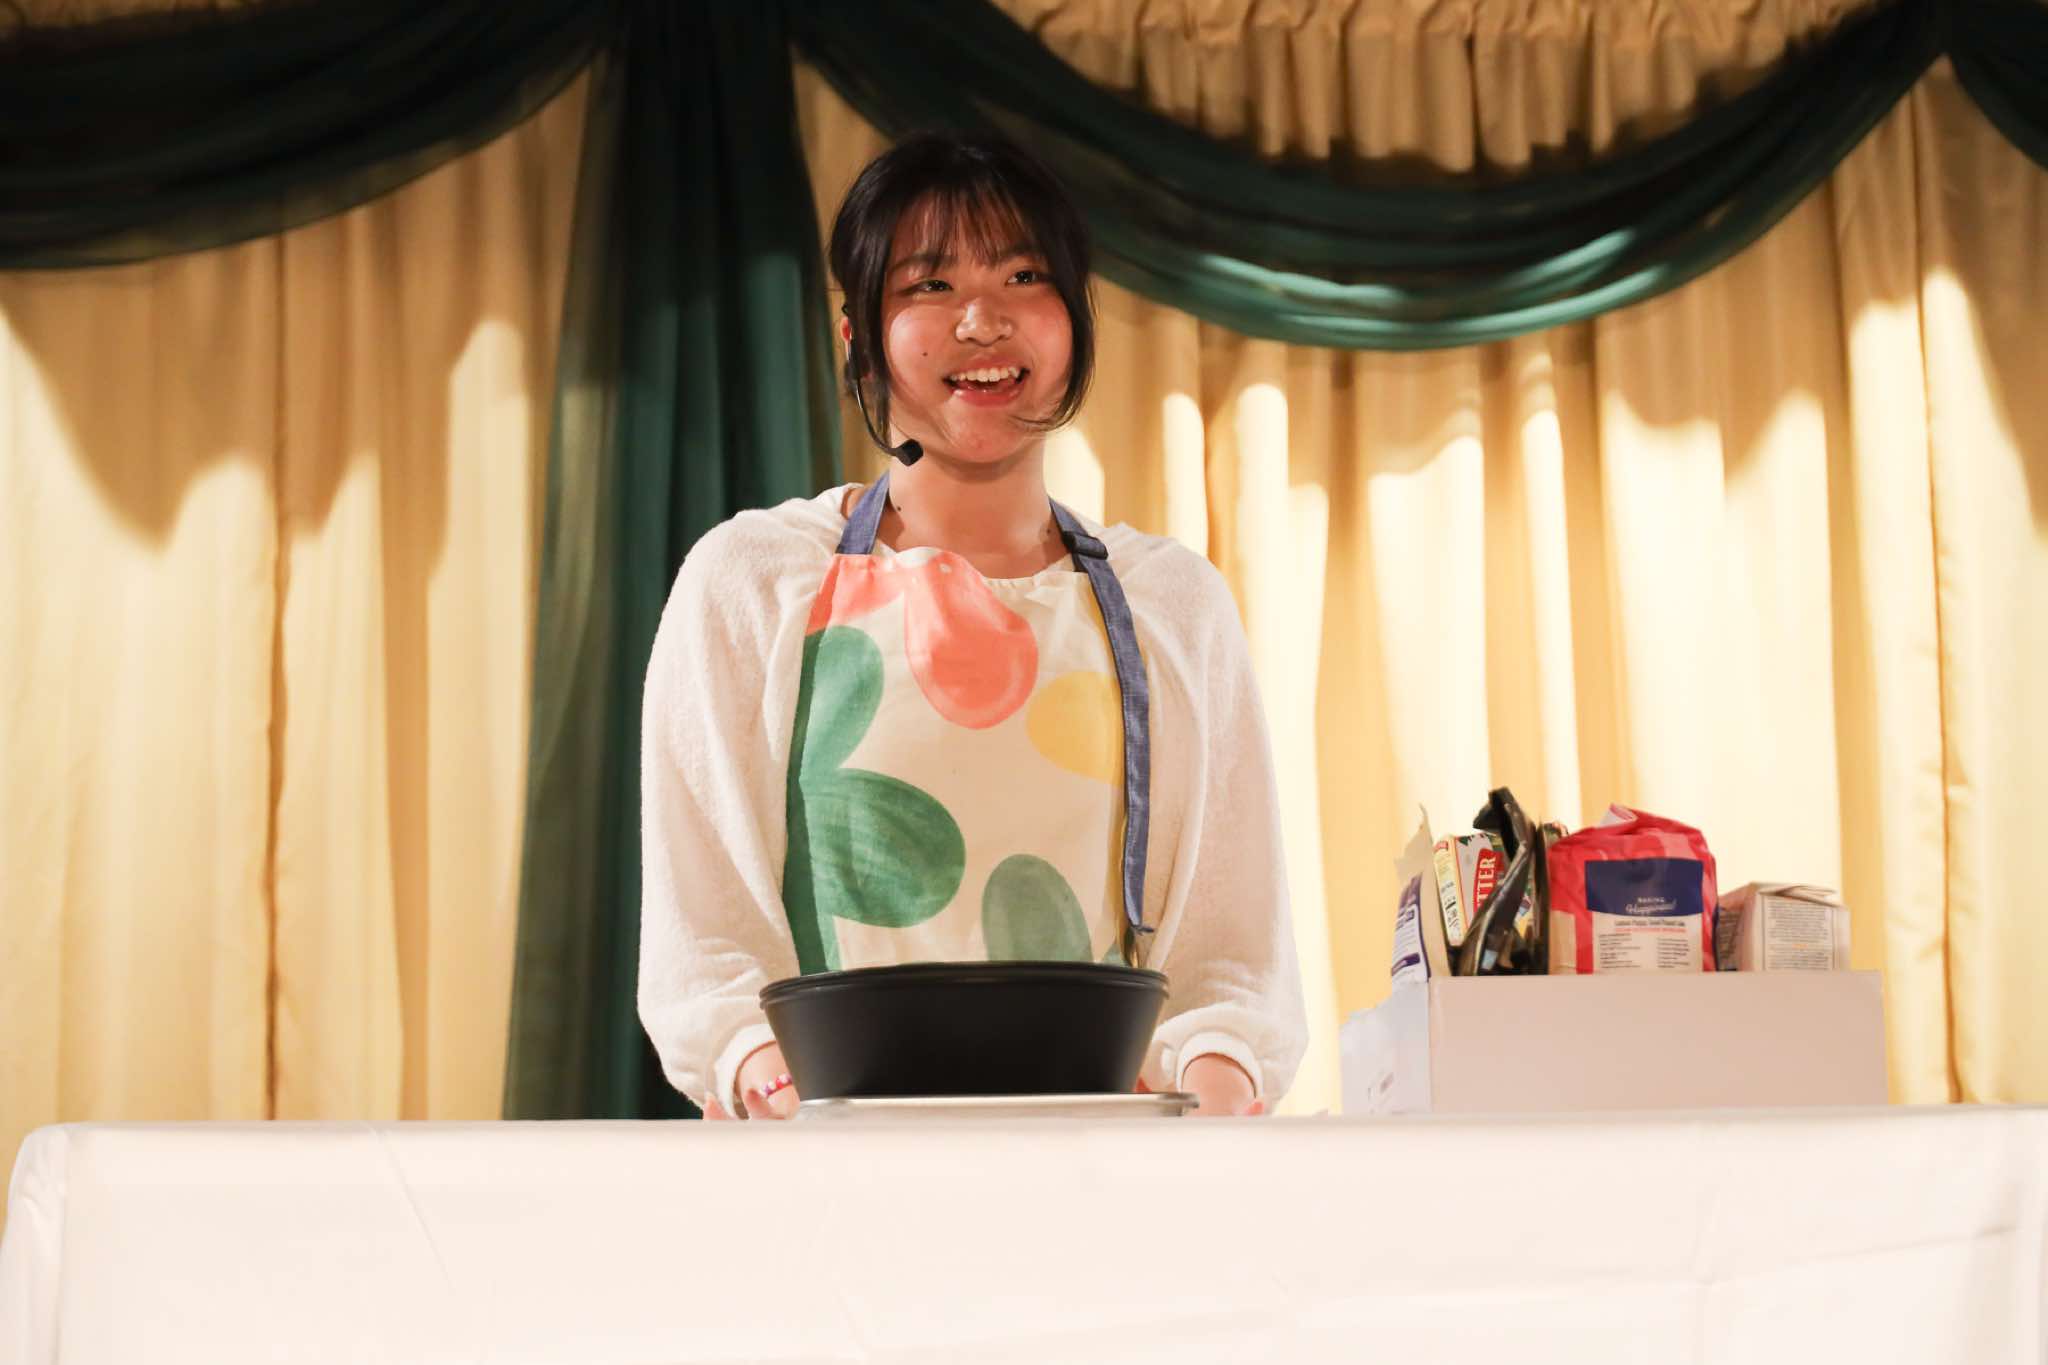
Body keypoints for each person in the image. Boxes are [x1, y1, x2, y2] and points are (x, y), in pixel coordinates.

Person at [638, 130, 1306, 1120]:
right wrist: (767, 1080)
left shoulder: (1173, 603)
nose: (983, 320)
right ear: (856, 333)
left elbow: (1229, 963)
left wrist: (1214, 1084)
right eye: (930, 285)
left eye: (1023, 277)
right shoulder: (751, 581)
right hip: (826, 1170)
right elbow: (706, 947)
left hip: (1104, 1173)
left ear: (1075, 318)